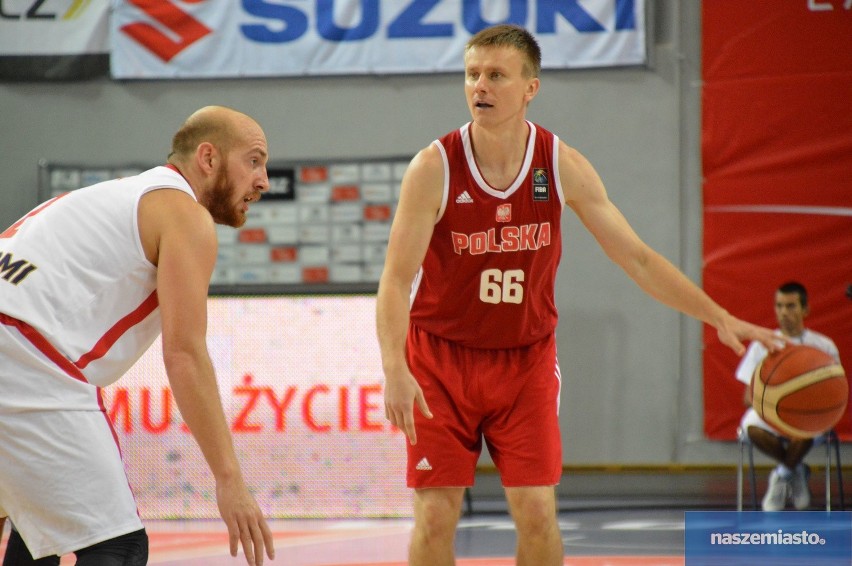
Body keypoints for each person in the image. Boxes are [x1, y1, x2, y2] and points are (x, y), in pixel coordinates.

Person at [376, 24, 782, 566]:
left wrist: (718, 316)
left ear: (530, 88)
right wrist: (394, 370)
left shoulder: (560, 163)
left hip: (525, 362)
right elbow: (396, 281)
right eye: (472, 74)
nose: (480, 86)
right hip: (439, 361)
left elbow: (637, 258)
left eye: (496, 75)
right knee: (435, 517)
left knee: (538, 514)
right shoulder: (434, 167)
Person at [0, 106, 275, 565]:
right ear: (208, 158)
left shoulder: (110, 196)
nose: (263, 180)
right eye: (254, 160)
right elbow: (185, 355)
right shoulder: (185, 215)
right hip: (22, 352)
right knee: (119, 546)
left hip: (17, 342)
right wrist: (230, 479)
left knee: (38, 529)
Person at [735, 281, 841, 511]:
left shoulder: (824, 346)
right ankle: (795, 470)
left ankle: (782, 474)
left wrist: (802, 402)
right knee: (750, 427)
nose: (784, 312)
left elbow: (836, 393)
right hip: (770, 412)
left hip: (810, 413)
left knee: (809, 426)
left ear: (805, 309)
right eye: (779, 305)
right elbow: (747, 397)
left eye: (791, 306)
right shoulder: (762, 344)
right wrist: (777, 404)